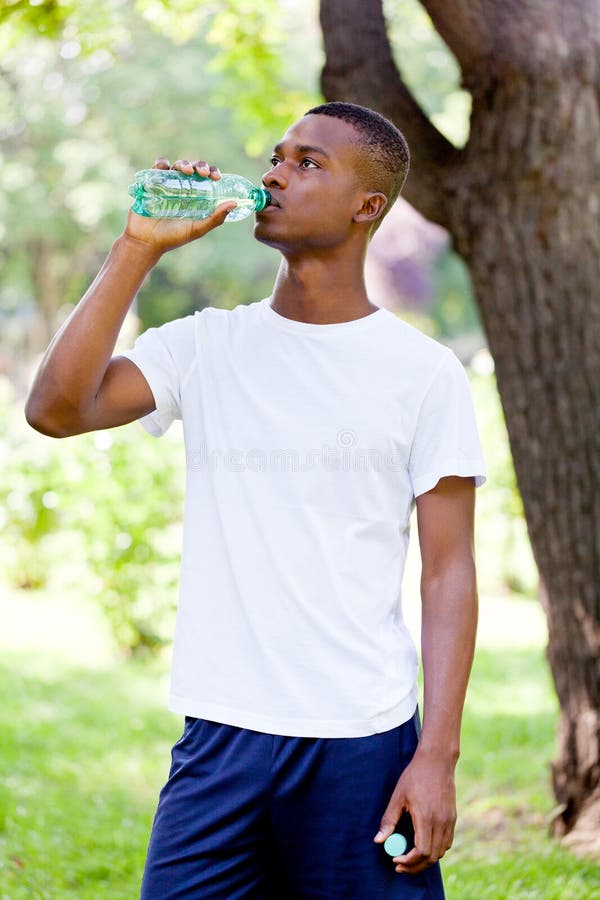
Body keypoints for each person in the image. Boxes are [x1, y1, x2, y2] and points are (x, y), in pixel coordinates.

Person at [25, 101, 486, 899]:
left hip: (362, 743)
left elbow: (449, 574)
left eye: (309, 163)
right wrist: (137, 249)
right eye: (277, 156)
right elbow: (56, 411)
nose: (275, 173)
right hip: (219, 740)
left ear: (365, 207)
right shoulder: (203, 346)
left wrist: (435, 755)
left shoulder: (424, 373)